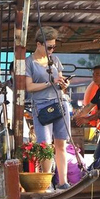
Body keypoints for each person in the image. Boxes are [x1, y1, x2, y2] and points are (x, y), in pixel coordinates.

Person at [25, 27, 71, 190]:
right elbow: (28, 86)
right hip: (41, 105)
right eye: (49, 47)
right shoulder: (29, 62)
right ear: (38, 44)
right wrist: (49, 84)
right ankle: (46, 182)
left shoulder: (55, 60)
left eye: (54, 47)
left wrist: (64, 83)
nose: (52, 50)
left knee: (61, 143)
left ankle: (62, 181)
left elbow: (60, 80)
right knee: (45, 144)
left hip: (59, 102)